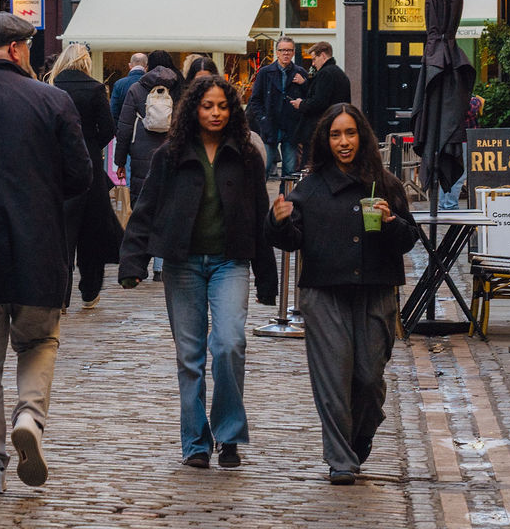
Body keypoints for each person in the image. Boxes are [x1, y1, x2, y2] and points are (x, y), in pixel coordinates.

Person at [0, 14, 94, 497]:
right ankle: (29, 414)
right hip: (39, 247)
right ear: (15, 49)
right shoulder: (52, 100)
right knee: (39, 343)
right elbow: (81, 176)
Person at [118, 74, 276, 469]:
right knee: (190, 357)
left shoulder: (246, 156)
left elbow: (260, 214)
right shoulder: (169, 155)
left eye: (222, 106)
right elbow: (146, 209)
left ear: (232, 110)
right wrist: (133, 262)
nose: (216, 113)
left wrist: (267, 278)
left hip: (230, 261)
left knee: (229, 344)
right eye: (208, 106)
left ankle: (229, 435)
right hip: (182, 264)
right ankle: (195, 444)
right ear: (194, 109)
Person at [267, 101, 417, 483]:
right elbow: (290, 240)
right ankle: (340, 460)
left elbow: (409, 239)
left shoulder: (386, 184)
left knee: (368, 380)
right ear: (326, 140)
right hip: (324, 293)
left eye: (350, 133)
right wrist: (278, 221)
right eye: (336, 135)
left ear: (362, 136)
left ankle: (359, 436)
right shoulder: (310, 189)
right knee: (333, 379)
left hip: (376, 292)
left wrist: (391, 222)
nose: (344, 141)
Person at [48, 42, 119, 309]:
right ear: (85, 61)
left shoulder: (51, 87)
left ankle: (61, 294)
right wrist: (91, 144)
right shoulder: (95, 88)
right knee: (92, 231)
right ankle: (90, 290)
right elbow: (108, 128)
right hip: (89, 165)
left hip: (58, 165)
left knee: (61, 233)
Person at [114, 50, 182, 186]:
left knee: (140, 192)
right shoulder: (179, 87)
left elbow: (125, 128)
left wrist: (120, 161)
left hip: (141, 153)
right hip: (172, 150)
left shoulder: (136, 89)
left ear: (148, 67)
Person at [249, 39, 308, 179]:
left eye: (289, 50)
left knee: (290, 172)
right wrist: (263, 119)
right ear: (277, 52)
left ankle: (287, 194)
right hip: (270, 126)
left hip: (291, 128)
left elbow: (309, 99)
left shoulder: (300, 73)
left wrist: (304, 83)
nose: (286, 53)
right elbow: (255, 100)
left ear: (293, 53)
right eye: (282, 50)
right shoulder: (265, 72)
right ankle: (260, 194)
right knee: (263, 168)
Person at [296, 43, 351, 157]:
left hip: (320, 130)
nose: (313, 63)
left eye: (314, 59)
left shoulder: (325, 74)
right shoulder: (339, 73)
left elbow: (319, 102)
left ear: (323, 55)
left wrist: (301, 104)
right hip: (335, 127)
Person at [109, 53, 149, 129]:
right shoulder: (150, 83)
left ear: (130, 65)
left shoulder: (119, 84)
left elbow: (113, 111)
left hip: (124, 129)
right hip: (147, 129)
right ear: (146, 67)